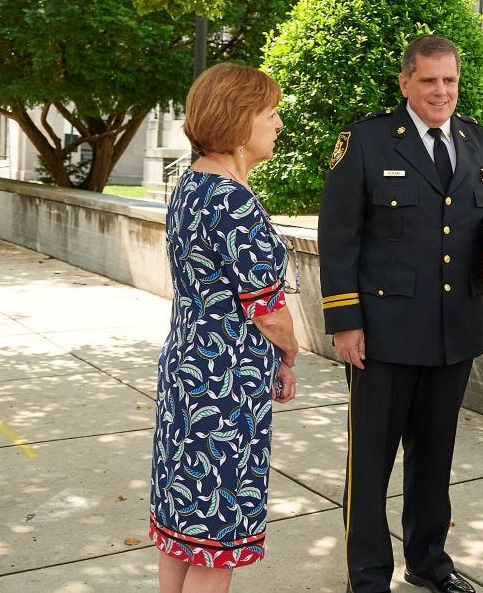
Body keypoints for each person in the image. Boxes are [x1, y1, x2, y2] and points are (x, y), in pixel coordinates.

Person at [319, 34, 483, 593]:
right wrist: (345, 322)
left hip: (453, 332)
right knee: (370, 465)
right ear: (405, 82)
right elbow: (338, 237)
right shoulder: (366, 141)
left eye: (449, 80)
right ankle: (368, 577)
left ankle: (430, 564)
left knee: (434, 460)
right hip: (382, 336)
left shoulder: (482, 143)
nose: (441, 91)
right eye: (429, 80)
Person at [150, 63, 300, 593]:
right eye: (270, 113)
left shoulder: (191, 184)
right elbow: (268, 312)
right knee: (217, 539)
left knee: (184, 525)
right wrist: (291, 351)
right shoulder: (233, 201)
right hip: (225, 389)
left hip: (188, 371)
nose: (278, 123)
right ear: (238, 121)